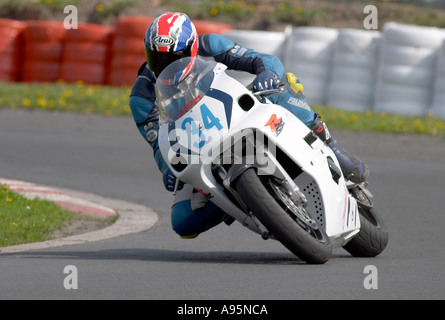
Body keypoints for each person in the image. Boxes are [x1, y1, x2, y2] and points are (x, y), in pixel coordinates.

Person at [129, 12, 369, 239]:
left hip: (237, 110)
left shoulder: (210, 45)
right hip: (197, 144)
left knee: (283, 84)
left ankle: (331, 145)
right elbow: (157, 144)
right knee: (182, 222)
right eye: (156, 56)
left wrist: (266, 74)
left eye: (174, 56)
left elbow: (262, 59)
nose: (165, 63)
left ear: (192, 47)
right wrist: (167, 170)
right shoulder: (142, 95)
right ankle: (241, 200)